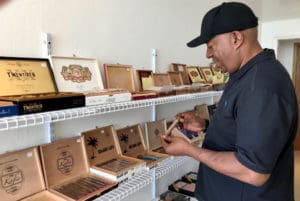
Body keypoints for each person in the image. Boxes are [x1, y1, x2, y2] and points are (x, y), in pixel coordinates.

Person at [161, 2, 298, 201]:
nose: (208, 54)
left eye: (210, 46)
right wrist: (205, 125)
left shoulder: (262, 85)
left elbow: (253, 171)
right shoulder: (244, 74)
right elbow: (243, 128)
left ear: (236, 38)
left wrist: (190, 150)